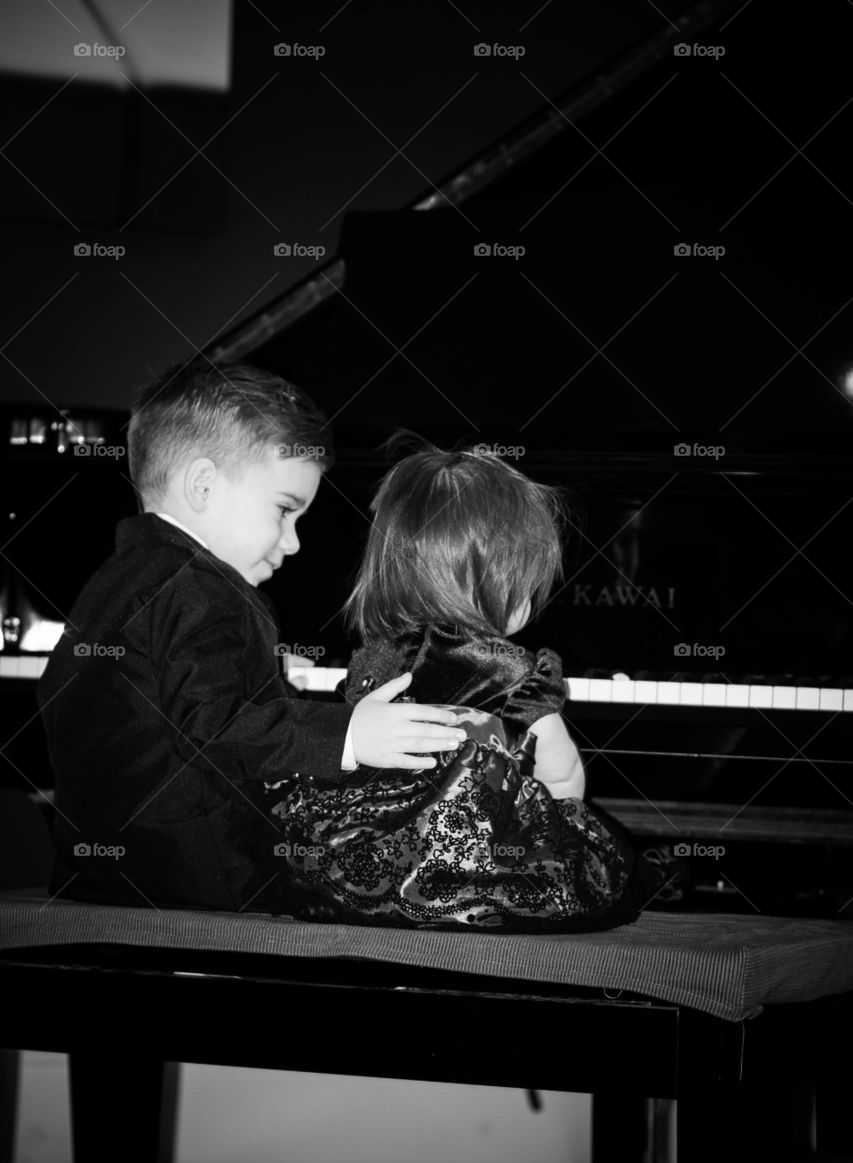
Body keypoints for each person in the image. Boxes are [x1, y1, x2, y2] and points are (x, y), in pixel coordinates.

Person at [37, 363, 466, 913]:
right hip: (198, 891)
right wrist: (349, 735)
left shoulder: (114, 583)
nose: (293, 543)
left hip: (99, 880)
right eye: (285, 510)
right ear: (203, 485)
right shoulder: (200, 590)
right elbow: (216, 727)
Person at [270, 439, 656, 932]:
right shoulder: (515, 671)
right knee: (603, 868)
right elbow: (563, 777)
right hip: (479, 872)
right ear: (500, 579)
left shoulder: (376, 656)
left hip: (378, 867)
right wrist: (562, 825)